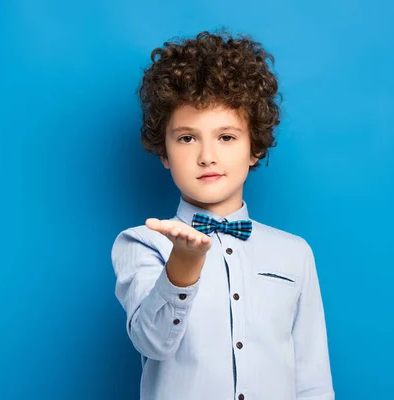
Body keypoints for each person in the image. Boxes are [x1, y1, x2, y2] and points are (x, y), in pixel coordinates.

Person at [111, 30, 334, 400]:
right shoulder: (141, 244)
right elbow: (152, 342)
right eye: (187, 138)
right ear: (163, 153)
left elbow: (312, 379)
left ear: (254, 148)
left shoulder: (296, 254)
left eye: (226, 137)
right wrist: (182, 266)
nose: (207, 156)